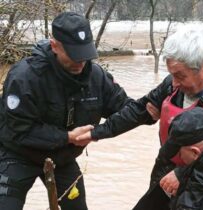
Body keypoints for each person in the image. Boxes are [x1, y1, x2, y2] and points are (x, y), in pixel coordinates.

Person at [75, 26, 203, 209]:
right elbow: (138, 110)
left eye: (180, 76)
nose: (173, 82)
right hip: (165, 169)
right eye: (171, 74)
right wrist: (97, 132)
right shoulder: (173, 84)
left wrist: (183, 174)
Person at [0, 12, 132, 210]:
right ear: (54, 46)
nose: (80, 62)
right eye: (73, 54)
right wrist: (68, 137)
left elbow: (127, 109)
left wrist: (153, 106)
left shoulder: (96, 77)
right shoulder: (24, 78)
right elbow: (21, 130)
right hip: (17, 153)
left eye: (85, 54)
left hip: (62, 157)